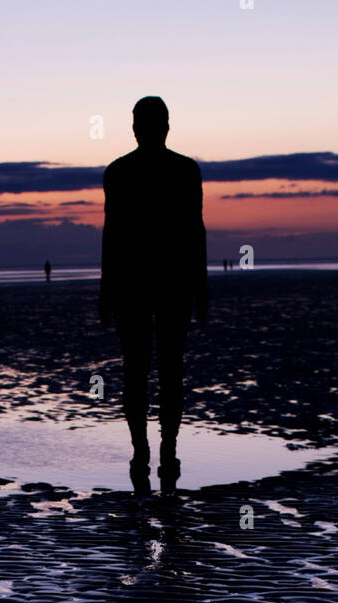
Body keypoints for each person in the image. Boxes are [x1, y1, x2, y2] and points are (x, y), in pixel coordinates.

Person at [99, 95, 207, 494]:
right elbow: (196, 233)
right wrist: (201, 284)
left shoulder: (122, 172)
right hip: (165, 283)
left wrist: (106, 289)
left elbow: (113, 237)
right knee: (164, 371)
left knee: (140, 372)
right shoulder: (182, 171)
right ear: (165, 126)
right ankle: (159, 450)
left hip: (138, 284)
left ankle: (148, 449)